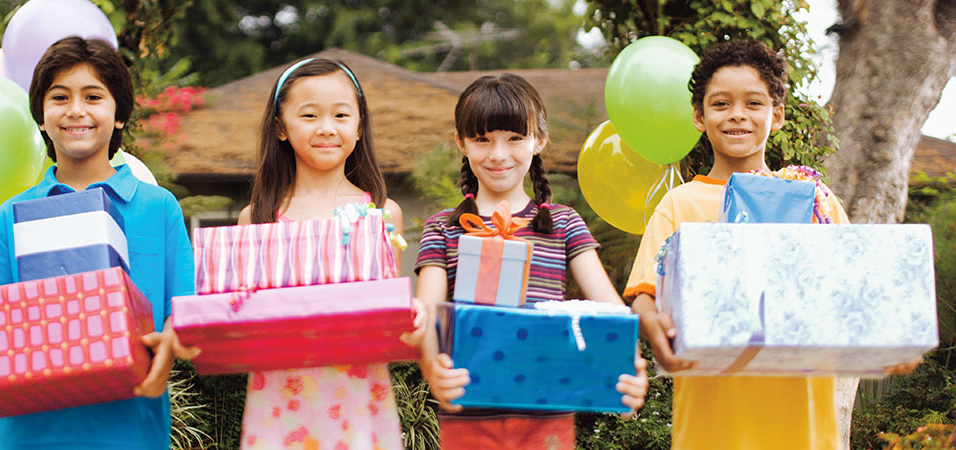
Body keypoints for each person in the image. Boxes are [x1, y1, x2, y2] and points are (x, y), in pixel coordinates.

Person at [624, 39, 921, 450]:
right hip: (710, 428)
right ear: (698, 116)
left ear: (777, 115)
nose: (738, 115)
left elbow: (857, 288)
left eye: (754, 103)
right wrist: (651, 323)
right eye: (721, 103)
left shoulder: (815, 201)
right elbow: (644, 293)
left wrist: (893, 334)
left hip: (802, 427)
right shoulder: (681, 203)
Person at [0, 36, 196, 449]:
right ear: (41, 118)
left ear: (119, 114)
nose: (76, 110)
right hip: (31, 436)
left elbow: (186, 312)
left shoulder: (159, 209)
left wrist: (169, 348)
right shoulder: (8, 220)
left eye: (93, 96)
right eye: (59, 97)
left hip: (132, 431)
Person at [415, 73, 648, 449]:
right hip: (467, 417)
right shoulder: (443, 228)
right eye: (482, 139)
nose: (498, 154)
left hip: (547, 418)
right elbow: (425, 313)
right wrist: (432, 369)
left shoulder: (565, 223)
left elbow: (611, 310)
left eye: (514, 138)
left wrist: (629, 367)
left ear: (539, 140)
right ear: (461, 143)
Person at [236, 57, 427, 449]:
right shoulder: (256, 219)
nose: (326, 128)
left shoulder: (382, 214)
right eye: (309, 115)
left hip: (358, 399)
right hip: (278, 403)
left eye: (341, 114)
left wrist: (415, 314)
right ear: (280, 127)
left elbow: (390, 315)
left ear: (359, 127)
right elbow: (241, 317)